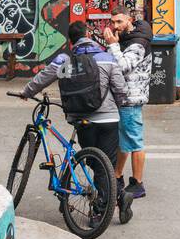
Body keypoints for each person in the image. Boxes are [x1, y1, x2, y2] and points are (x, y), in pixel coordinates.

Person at [20, 20, 135, 223]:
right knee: (103, 164)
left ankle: (105, 207)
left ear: (71, 41)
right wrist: (119, 106)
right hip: (109, 120)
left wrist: (26, 92)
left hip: (82, 121)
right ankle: (114, 200)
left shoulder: (66, 60)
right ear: (88, 36)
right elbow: (121, 90)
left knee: (93, 161)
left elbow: (43, 79)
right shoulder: (107, 58)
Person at [103, 5, 151, 200]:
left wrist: (113, 45)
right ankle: (117, 176)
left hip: (131, 98)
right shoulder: (126, 37)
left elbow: (124, 66)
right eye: (113, 22)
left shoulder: (138, 42)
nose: (115, 25)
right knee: (123, 140)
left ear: (129, 20)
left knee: (134, 140)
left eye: (119, 21)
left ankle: (138, 184)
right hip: (123, 97)